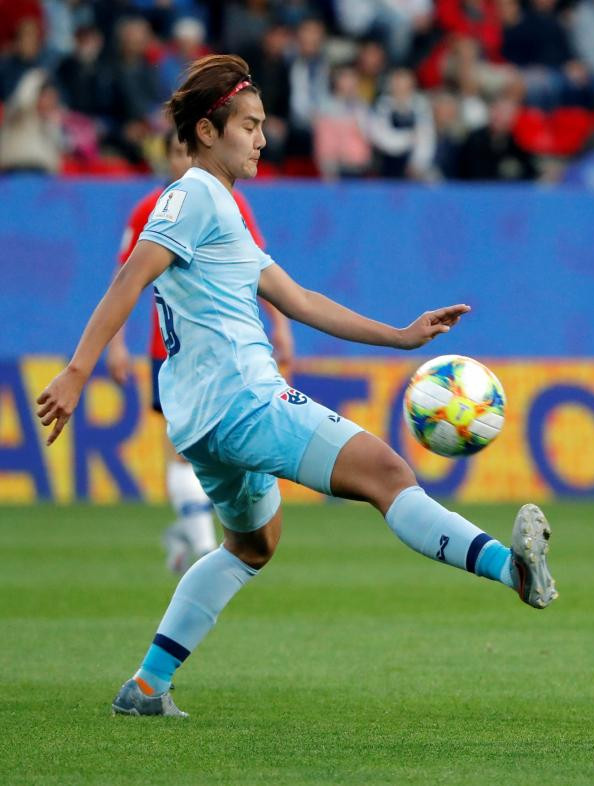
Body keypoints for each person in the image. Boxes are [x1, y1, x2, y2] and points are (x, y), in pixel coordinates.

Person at [35, 55, 558, 719]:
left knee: (253, 545)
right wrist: (79, 370)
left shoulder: (216, 206)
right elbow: (130, 276)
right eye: (248, 126)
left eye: (261, 126)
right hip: (244, 399)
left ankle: (147, 685)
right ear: (205, 131)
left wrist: (401, 335)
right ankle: (510, 572)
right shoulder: (196, 196)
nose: (260, 139)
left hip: (199, 421)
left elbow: (299, 299)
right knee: (387, 473)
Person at [106, 128, 294, 575]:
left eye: (184, 152)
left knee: (216, 453)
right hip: (169, 351)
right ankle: (207, 544)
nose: (181, 162)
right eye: (173, 153)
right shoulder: (149, 210)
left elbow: (259, 268)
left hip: (226, 351)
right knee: (182, 448)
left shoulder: (231, 202)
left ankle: (192, 532)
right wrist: (116, 345)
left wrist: (280, 324)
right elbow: (124, 281)